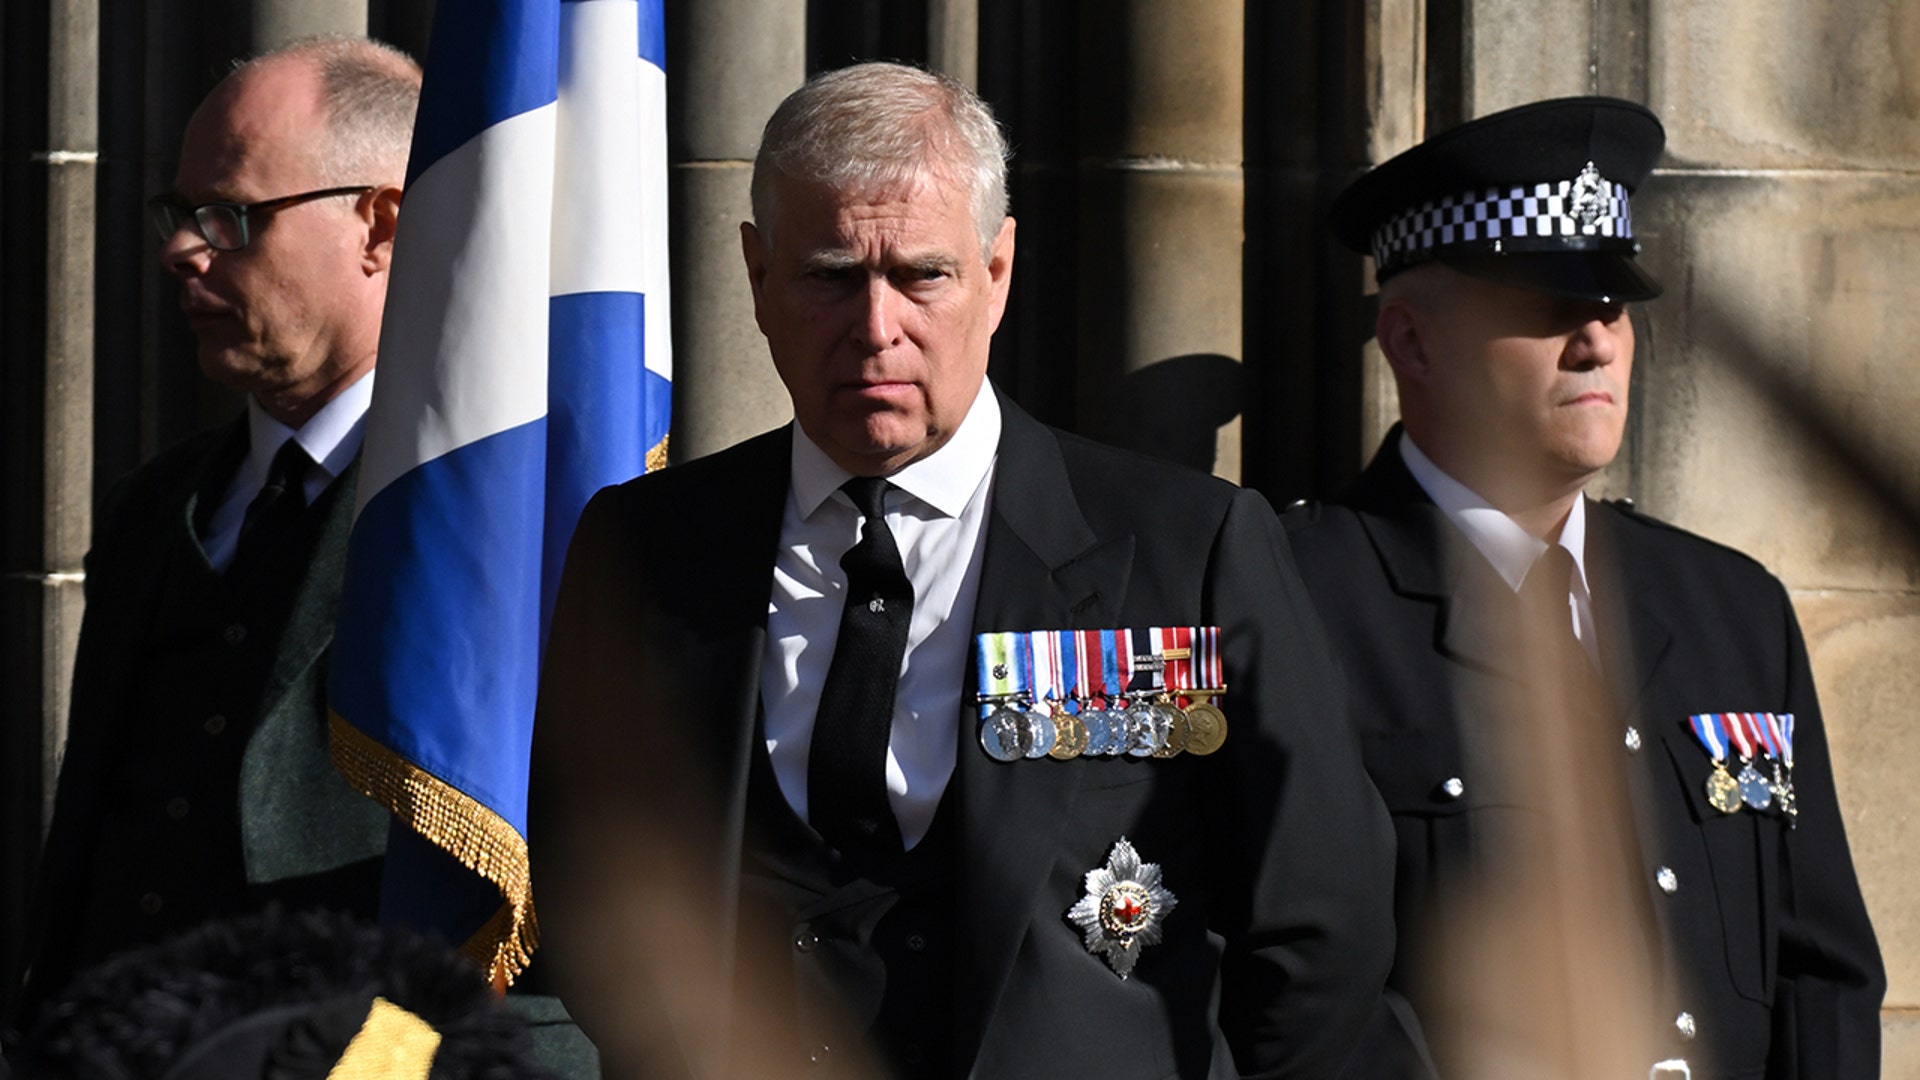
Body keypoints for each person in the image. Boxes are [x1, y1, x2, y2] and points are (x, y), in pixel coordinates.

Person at [530, 61, 1394, 1079]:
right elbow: (590, 890)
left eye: (921, 275)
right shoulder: (645, 547)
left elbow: (1319, 926)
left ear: (997, 271)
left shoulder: (1188, 549)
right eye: (830, 275)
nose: (876, 328)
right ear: (758, 278)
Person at [1285, 96, 1885, 1078]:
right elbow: (1286, 981)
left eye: (1612, 307)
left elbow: (1822, 974)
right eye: (1548, 307)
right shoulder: (1295, 600)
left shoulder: (1730, 609)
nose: (1597, 341)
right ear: (1412, 343)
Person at [13, 37, 419, 1020]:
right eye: (181, 213)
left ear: (378, 225)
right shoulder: (156, 507)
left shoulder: (481, 516)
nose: (181, 251)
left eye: (231, 217)